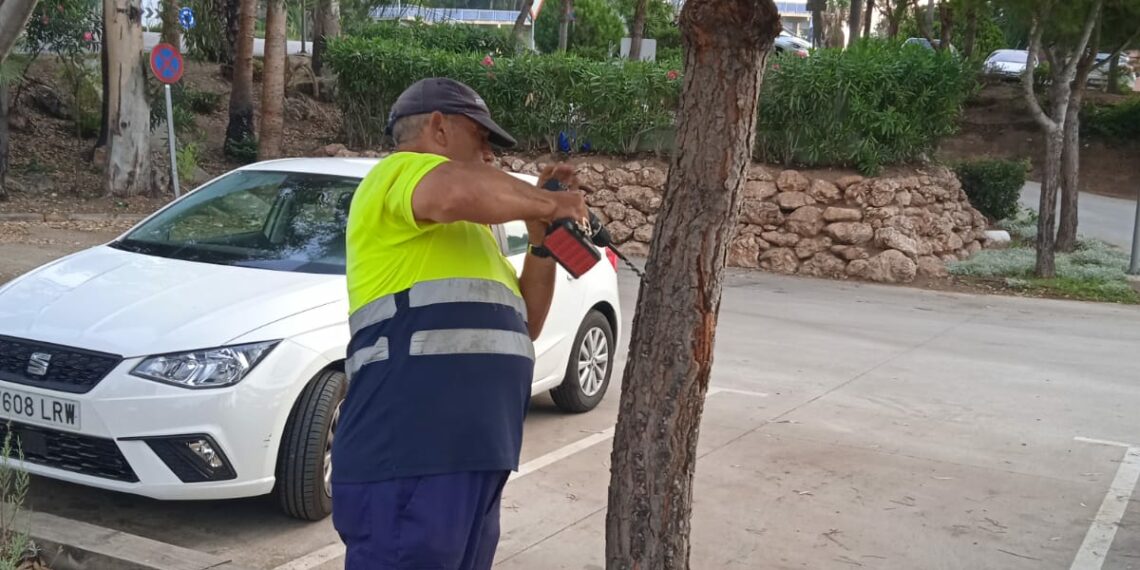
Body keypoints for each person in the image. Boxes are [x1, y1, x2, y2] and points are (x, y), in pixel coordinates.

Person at [330, 77, 588, 570]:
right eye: (482, 138)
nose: (490, 155)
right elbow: (450, 192)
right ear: (438, 128)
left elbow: (527, 324)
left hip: (474, 456)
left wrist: (540, 241)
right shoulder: (395, 175)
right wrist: (552, 202)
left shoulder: (474, 234)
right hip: (407, 458)